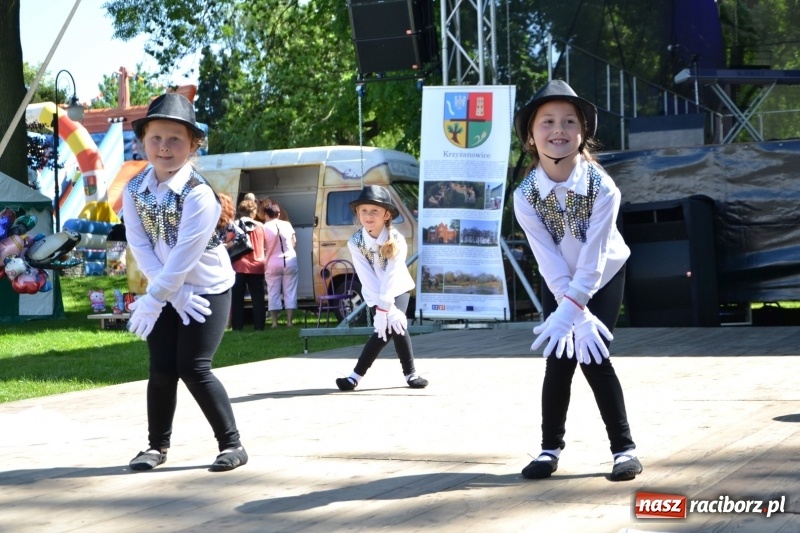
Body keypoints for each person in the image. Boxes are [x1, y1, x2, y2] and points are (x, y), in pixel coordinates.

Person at [512, 80, 641, 482]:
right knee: (559, 361)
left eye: (570, 121)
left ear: (583, 133)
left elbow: (595, 257)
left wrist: (577, 311)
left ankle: (624, 450)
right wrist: (568, 308)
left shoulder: (604, 188)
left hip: (602, 275)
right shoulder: (525, 195)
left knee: (595, 357)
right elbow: (548, 259)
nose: (558, 130)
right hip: (560, 281)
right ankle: (549, 450)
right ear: (531, 136)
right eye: (547, 121)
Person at [122, 93, 248, 472]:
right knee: (161, 368)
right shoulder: (134, 189)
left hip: (207, 288)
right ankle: (155, 448)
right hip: (167, 290)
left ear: (193, 145)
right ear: (143, 141)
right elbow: (139, 243)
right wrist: (167, 295)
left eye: (175, 139)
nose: (164, 147)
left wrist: (157, 297)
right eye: (156, 137)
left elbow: (184, 257)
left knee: (193, 366)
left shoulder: (199, 195)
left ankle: (232, 445)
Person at [335, 185, 428, 391]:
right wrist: (383, 308)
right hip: (374, 291)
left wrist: (388, 309)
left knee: (392, 326)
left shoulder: (397, 240)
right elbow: (367, 277)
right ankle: (409, 375)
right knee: (389, 326)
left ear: (386, 214)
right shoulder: (355, 242)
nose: (368, 216)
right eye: (363, 211)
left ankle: (356, 377)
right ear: (358, 214)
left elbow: (392, 276)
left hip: (398, 288)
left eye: (374, 211)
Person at [230, 199, 267, 331]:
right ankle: (259, 326)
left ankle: (238, 326)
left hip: (238, 266)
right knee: (258, 298)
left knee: (237, 298)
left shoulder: (235, 225)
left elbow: (228, 242)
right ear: (253, 212)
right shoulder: (261, 226)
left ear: (240, 211)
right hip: (257, 266)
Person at [262, 200, 298, 327]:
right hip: (290, 261)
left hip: (272, 262)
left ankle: (274, 322)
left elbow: (263, 246)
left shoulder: (264, 227)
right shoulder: (287, 224)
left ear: (266, 215)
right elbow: (294, 242)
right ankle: (289, 321)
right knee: (290, 291)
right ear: (278, 214)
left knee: (273, 292)